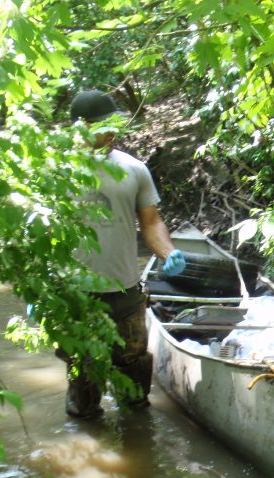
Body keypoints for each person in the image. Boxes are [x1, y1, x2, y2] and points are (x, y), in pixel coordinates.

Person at [62, 89, 186, 419]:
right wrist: (38, 290)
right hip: (75, 294)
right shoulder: (56, 172)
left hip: (125, 289)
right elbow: (42, 233)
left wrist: (167, 252)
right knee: (82, 379)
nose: (111, 132)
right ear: (79, 127)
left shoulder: (134, 169)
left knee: (134, 380)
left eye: (114, 123)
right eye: (102, 125)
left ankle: (140, 447)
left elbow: (151, 221)